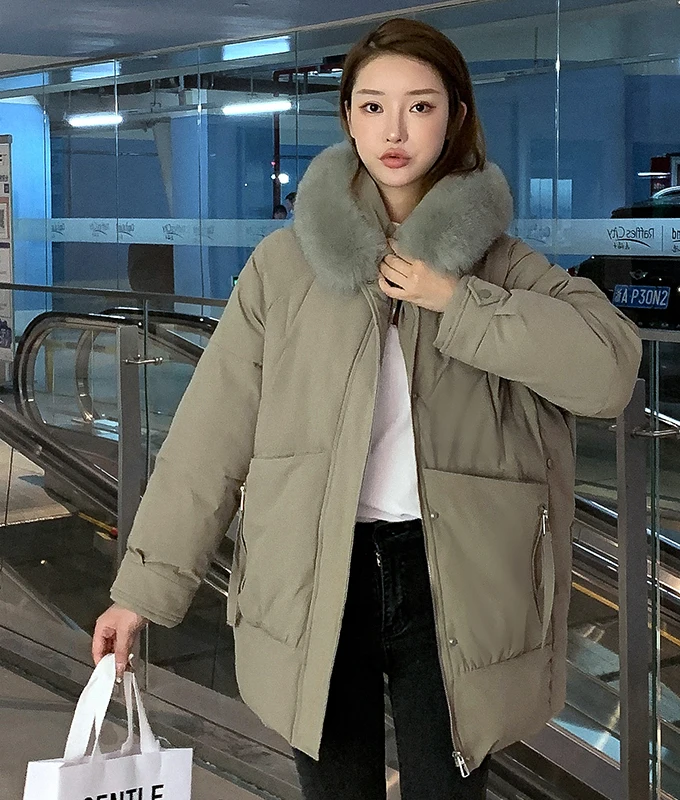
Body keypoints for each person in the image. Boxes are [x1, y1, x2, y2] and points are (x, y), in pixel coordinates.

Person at [92, 17, 641, 800]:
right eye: (374, 106)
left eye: (420, 106)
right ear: (347, 116)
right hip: (313, 566)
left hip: (455, 578)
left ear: (455, 116)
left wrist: (457, 300)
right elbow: (211, 434)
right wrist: (140, 589)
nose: (395, 130)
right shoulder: (284, 269)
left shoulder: (502, 267)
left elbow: (608, 370)